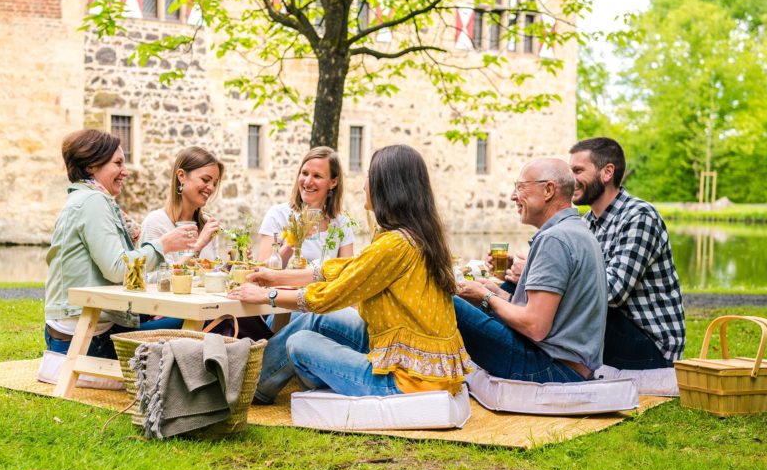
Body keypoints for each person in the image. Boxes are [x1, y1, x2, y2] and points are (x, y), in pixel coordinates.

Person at [229, 144, 473, 401]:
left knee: (300, 342)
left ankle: (250, 390)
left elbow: (329, 297)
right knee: (315, 321)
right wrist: (278, 277)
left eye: (370, 175)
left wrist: (268, 296)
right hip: (411, 361)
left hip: (407, 381)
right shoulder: (411, 235)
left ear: (387, 186)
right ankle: (255, 382)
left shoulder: (395, 244)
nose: (364, 183)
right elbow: (350, 268)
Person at [44, 130, 195, 359]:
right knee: (194, 322)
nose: (125, 171)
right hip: (86, 338)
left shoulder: (86, 198)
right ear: (92, 165)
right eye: (117, 163)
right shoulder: (93, 201)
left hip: (74, 327)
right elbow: (117, 269)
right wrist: (163, 244)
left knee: (175, 316)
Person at [454, 159, 607, 383]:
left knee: (448, 301)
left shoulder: (555, 239)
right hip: (569, 363)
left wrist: (485, 297)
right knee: (476, 297)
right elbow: (546, 312)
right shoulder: (574, 230)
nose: (514, 196)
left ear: (548, 190)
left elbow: (535, 326)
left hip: (552, 368)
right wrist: (494, 293)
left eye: (520, 187)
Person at [569, 137, 686, 368]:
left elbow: (612, 293)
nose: (569, 179)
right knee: (538, 296)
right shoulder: (587, 223)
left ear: (607, 172)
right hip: (617, 332)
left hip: (652, 348)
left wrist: (554, 280)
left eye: (578, 170)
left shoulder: (639, 216)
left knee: (562, 305)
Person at [255, 146, 355, 268]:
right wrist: (292, 242)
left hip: (322, 288)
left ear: (333, 182)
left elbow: (346, 274)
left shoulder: (341, 223)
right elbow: (262, 270)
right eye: (304, 173)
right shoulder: (277, 215)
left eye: (317, 176)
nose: (307, 182)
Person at [140, 146, 224, 264]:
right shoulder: (155, 223)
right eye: (205, 180)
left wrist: (235, 263)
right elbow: (155, 279)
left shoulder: (207, 223)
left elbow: (214, 273)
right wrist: (198, 245)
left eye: (215, 183)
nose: (211, 188)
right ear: (181, 176)